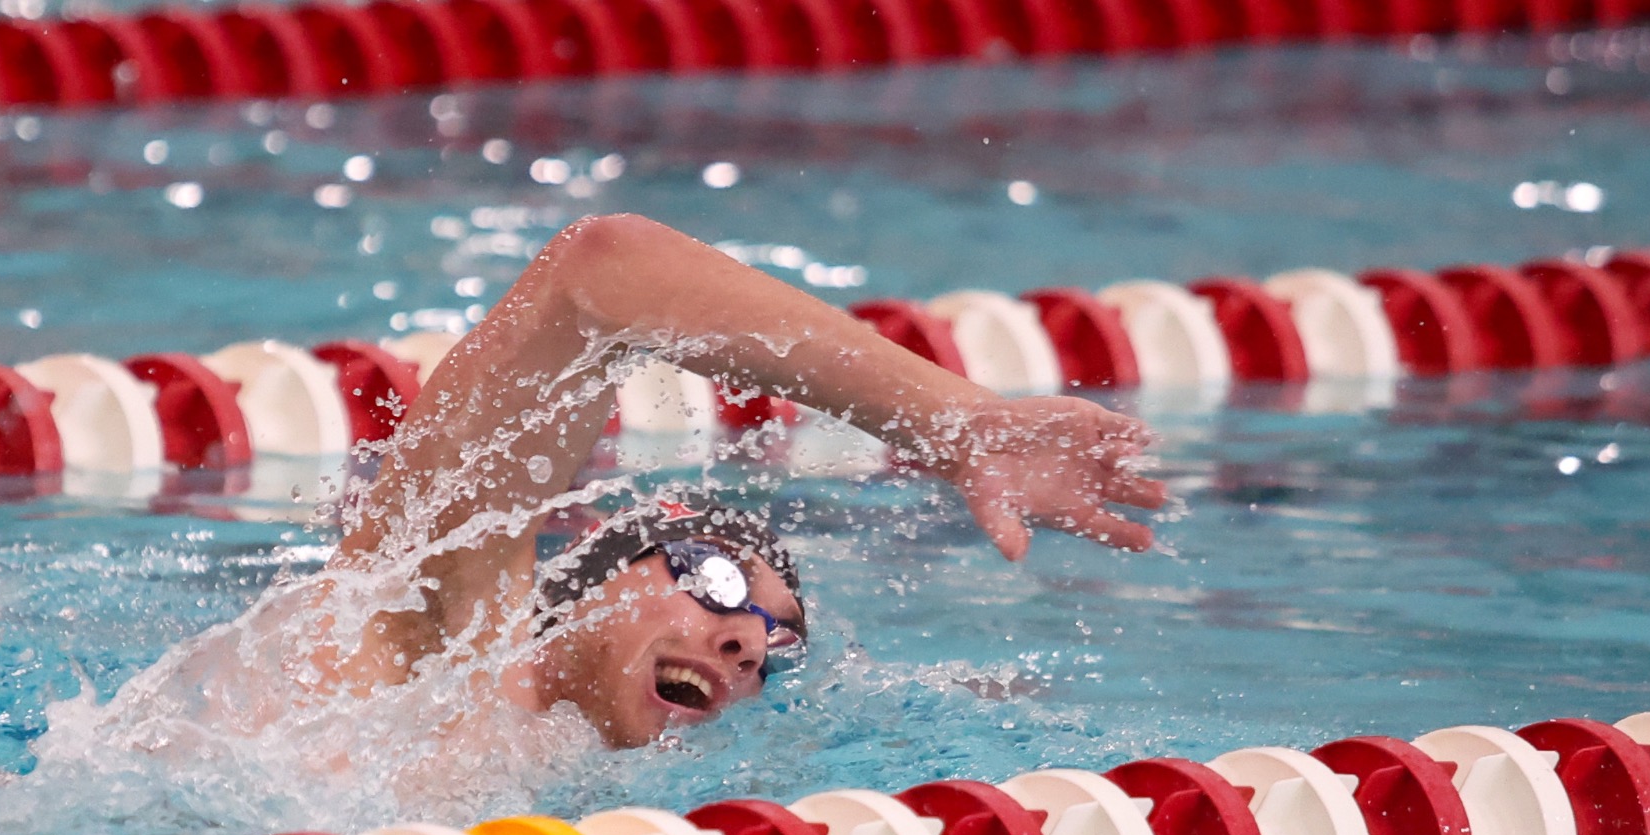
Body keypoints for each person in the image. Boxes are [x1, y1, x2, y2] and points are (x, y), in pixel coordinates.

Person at [234, 214, 1168, 750]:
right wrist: (950, 422)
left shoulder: (572, 779)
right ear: (601, 571)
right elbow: (604, 269)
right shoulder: (433, 625)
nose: (744, 644)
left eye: (777, 645)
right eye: (714, 582)